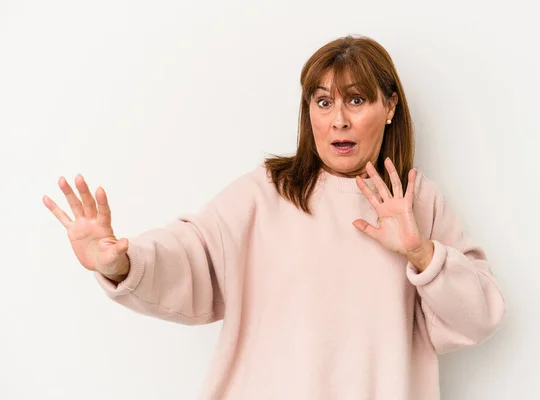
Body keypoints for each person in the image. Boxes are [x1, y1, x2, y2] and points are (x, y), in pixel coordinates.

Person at [43, 35, 506, 400]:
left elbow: (478, 317)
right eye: (324, 102)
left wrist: (420, 252)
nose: (339, 120)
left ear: (389, 108)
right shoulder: (266, 193)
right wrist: (120, 263)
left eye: (357, 99)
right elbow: (191, 256)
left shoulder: (418, 202)